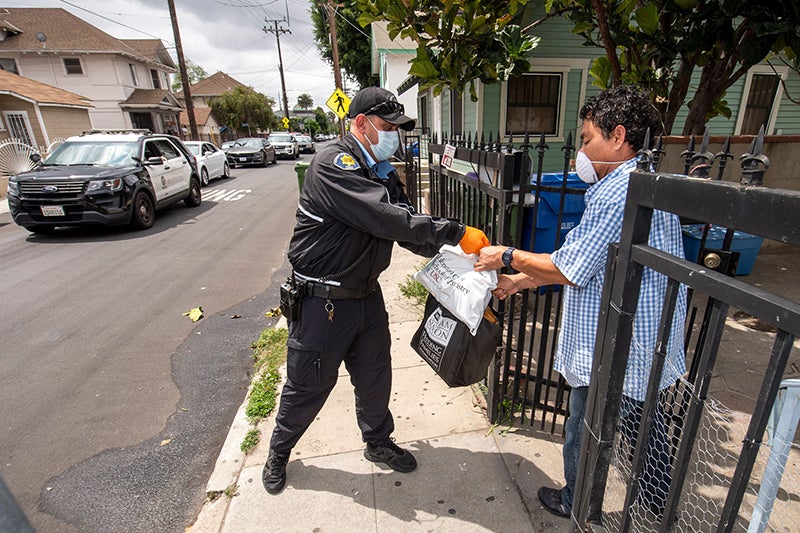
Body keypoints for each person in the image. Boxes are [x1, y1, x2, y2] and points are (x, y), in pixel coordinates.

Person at [263, 86, 489, 494]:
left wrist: (460, 253)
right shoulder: (334, 164)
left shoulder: (379, 169)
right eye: (387, 127)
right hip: (321, 302)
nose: (394, 136)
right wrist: (456, 230)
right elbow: (385, 218)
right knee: (308, 386)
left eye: (398, 129)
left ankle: (378, 442)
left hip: (366, 297)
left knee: (374, 378)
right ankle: (279, 452)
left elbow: (408, 228)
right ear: (361, 124)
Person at [475, 85, 686, 519]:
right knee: (643, 423)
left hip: (614, 346)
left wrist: (506, 255)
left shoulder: (616, 193)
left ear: (619, 136)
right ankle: (658, 500)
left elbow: (571, 270)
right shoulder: (647, 182)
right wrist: (519, 281)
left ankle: (577, 500)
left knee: (582, 424)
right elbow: (581, 259)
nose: (581, 151)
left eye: (588, 138)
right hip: (641, 340)